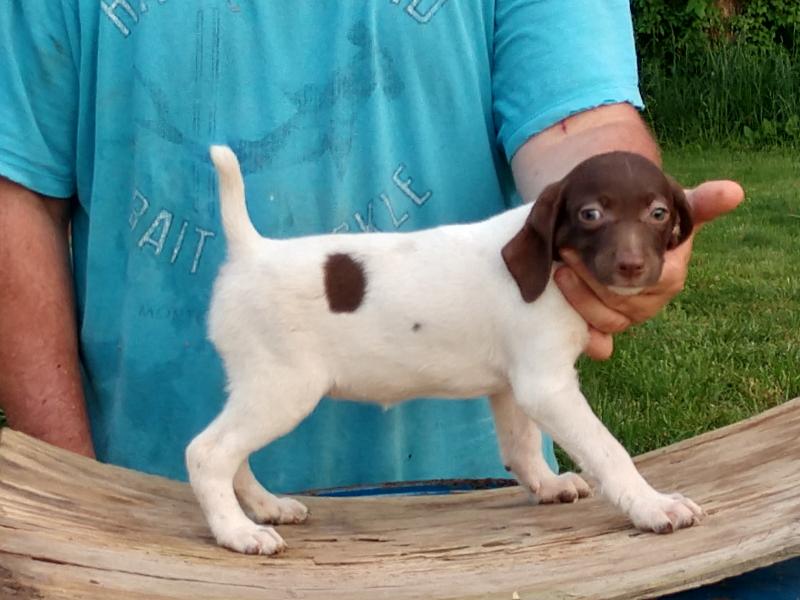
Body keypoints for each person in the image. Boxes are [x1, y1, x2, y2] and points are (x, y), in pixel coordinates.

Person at [0, 1, 742, 493]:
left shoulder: (562, 244)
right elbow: (15, 195)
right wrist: (77, 495)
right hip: (142, 495)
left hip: (471, 513)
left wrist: (616, 215)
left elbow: (578, 127)